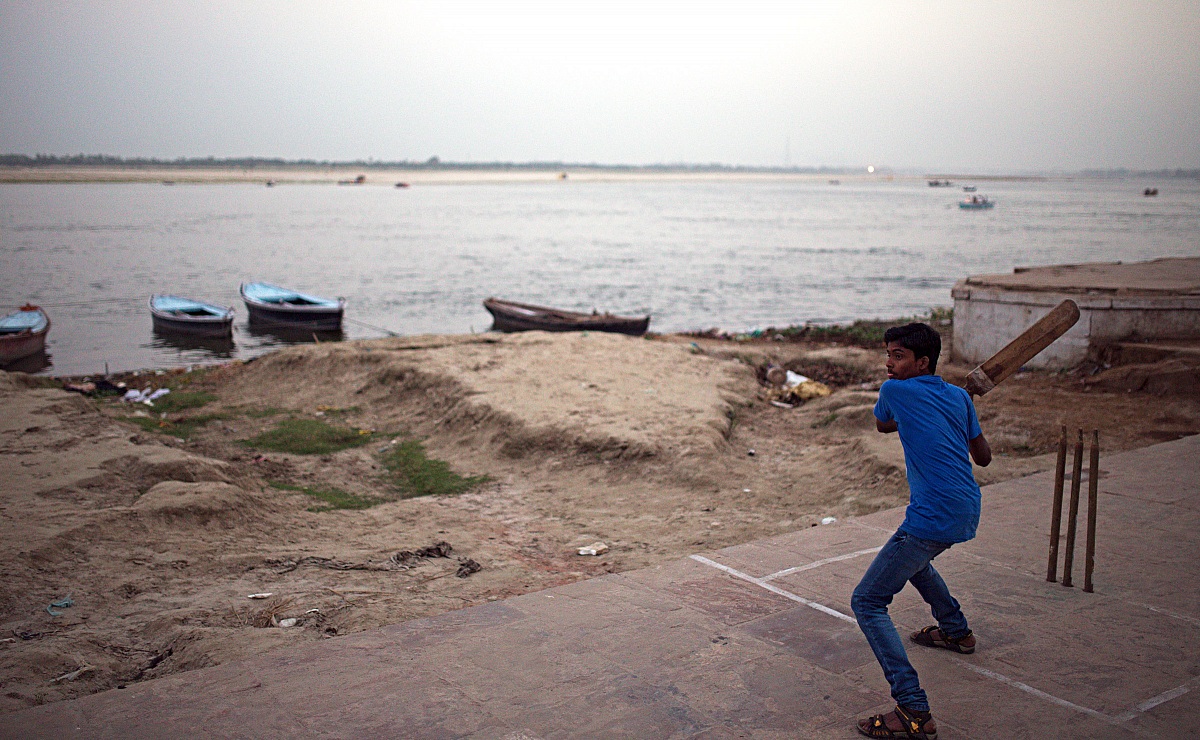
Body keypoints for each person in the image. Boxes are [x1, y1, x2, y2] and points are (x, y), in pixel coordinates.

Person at [852, 323, 991, 740]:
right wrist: (955, 409)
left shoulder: (894, 392)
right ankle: (956, 630)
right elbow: (982, 457)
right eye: (888, 355)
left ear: (922, 362)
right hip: (967, 508)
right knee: (916, 562)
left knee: (867, 601)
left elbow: (882, 425)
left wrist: (920, 414)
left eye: (897, 356)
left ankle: (913, 708)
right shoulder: (960, 397)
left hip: (933, 516)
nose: (888, 363)